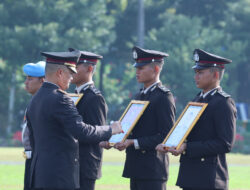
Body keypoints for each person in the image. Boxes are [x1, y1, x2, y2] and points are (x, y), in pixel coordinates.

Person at [26, 50, 122, 190]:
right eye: (70, 73)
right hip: (59, 175)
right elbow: (82, 131)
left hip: (40, 173)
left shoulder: (36, 97)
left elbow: (33, 138)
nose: (72, 78)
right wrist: (111, 129)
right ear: (60, 73)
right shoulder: (61, 98)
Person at [156, 49, 237, 190]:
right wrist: (171, 144)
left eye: (200, 73)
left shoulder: (223, 102)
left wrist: (187, 147)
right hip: (190, 175)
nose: (196, 77)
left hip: (210, 178)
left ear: (216, 74)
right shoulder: (197, 99)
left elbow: (225, 143)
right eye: (196, 73)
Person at [113, 46, 176, 190]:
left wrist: (132, 142)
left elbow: (166, 135)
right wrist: (118, 139)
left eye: (142, 68)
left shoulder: (163, 97)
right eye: (137, 68)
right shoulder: (139, 95)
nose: (137, 71)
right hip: (136, 166)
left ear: (156, 69)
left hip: (152, 169)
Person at [70, 48, 107, 190]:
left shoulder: (94, 98)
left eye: (76, 67)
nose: (72, 71)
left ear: (90, 68)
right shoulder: (73, 95)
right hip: (71, 163)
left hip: (85, 165)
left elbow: (97, 133)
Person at [22, 61, 46, 190]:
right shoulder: (34, 101)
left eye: (30, 79)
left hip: (39, 160)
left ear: (43, 81)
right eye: (26, 78)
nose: (26, 82)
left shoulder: (44, 103)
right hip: (31, 158)